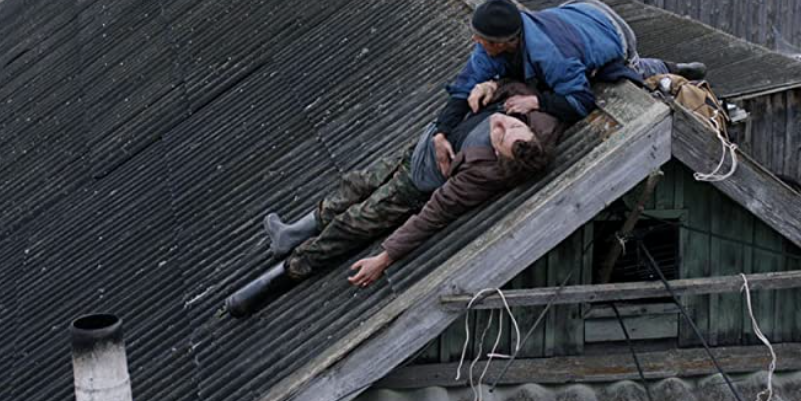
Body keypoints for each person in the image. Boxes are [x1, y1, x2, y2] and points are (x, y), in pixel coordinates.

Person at [225, 82, 562, 317]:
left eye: (498, 136)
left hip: (416, 182)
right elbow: (519, 85)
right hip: (422, 147)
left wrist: (384, 258)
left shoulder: (483, 175)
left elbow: (436, 212)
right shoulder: (539, 122)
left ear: (500, 158)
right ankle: (292, 233)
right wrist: (491, 86)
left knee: (354, 223)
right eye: (512, 125)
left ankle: (286, 272)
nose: (500, 123)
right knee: (356, 184)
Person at [429, 0, 703, 178]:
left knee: (624, 74)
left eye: (482, 39)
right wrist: (442, 132)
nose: (475, 41)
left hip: (609, 29)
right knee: (540, 79)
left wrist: (538, 103)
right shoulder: (493, 45)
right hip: (575, 11)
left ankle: (673, 69)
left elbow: (580, 101)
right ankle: (672, 66)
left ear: (502, 42)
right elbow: (465, 85)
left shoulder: (551, 55)